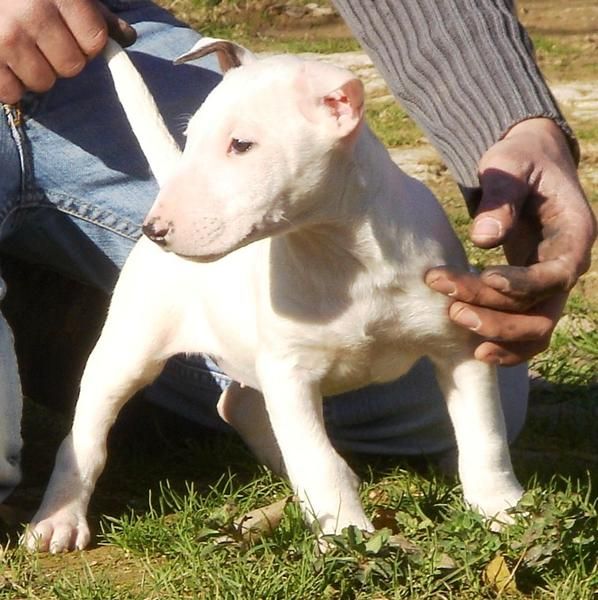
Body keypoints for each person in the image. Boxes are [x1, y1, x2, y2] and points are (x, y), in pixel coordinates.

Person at [0, 0, 594, 502]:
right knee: (117, 373)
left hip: (91, 31)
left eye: (240, 145)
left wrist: (516, 120)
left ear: (340, 109)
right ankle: (65, 474)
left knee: (462, 387)